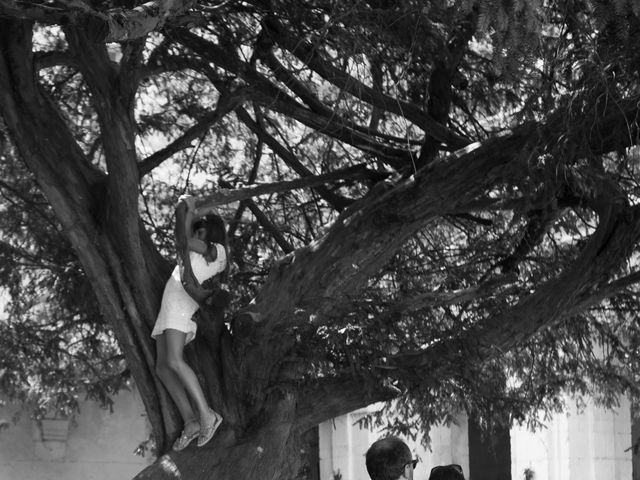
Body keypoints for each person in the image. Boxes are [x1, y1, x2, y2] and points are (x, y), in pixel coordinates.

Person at [151, 195, 226, 451]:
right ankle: (191, 422)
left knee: (174, 360)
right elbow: (186, 239)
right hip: (169, 306)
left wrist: (190, 209)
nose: (198, 235)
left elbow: (184, 240)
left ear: (212, 232)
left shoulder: (218, 251)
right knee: (162, 367)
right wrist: (191, 211)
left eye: (202, 231)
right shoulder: (198, 249)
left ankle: (207, 416)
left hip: (181, 309)